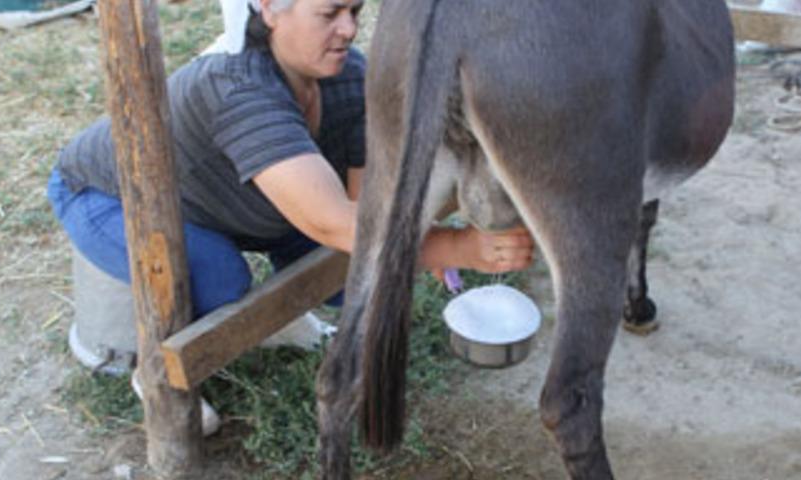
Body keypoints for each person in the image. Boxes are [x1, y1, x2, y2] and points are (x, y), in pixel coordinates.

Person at [47, 0, 534, 435]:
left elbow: (365, 211)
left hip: (228, 198)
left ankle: (280, 319)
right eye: (329, 13)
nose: (347, 29)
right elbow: (336, 224)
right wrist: (454, 247)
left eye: (355, 12)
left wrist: (408, 248)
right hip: (104, 194)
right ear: (270, 10)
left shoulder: (349, 77)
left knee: (347, 278)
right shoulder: (238, 88)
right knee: (220, 280)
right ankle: (151, 370)